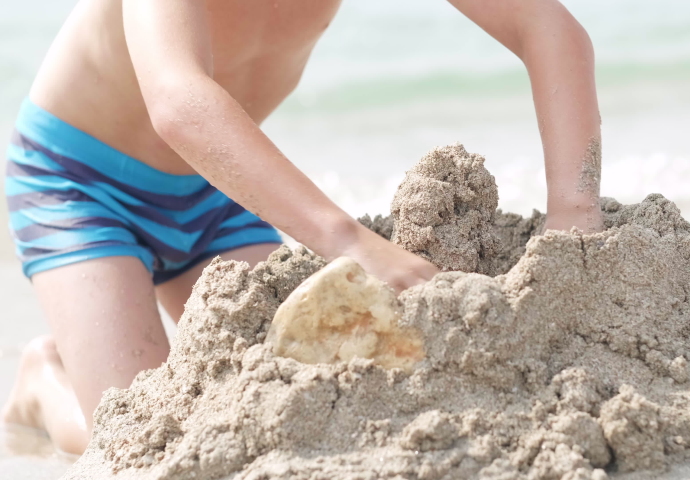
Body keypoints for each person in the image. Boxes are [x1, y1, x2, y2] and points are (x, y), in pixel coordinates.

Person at [1, 0, 603, 455]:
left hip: (218, 182)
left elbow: (550, 29)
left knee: (275, 405)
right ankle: (44, 380)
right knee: (131, 440)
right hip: (78, 183)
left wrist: (574, 222)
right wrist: (348, 242)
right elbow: (178, 100)